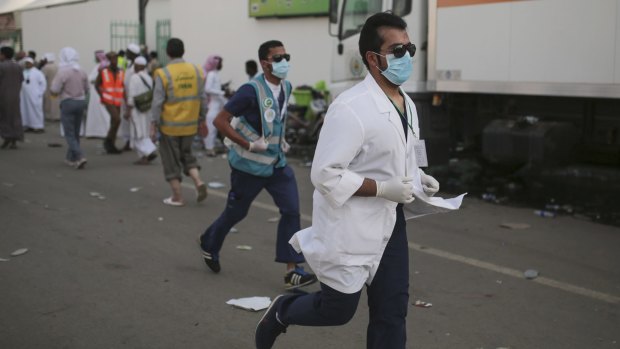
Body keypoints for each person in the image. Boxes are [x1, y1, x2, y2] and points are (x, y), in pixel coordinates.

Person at [254, 13, 441, 349]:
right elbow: (325, 173)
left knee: (392, 312)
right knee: (337, 310)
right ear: (374, 58)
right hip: (350, 227)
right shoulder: (350, 108)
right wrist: (383, 188)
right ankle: (283, 310)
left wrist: (422, 176)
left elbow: (410, 149)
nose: (408, 57)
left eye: (410, 48)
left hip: (390, 225)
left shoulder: (408, 104)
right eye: (398, 50)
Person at [198, 40, 317, 290]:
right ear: (265, 64)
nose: (284, 62)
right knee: (237, 212)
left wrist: (281, 141)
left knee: (292, 210)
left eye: (286, 56)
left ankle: (292, 269)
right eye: (278, 58)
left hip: (277, 165)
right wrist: (248, 144)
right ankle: (210, 242)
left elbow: (276, 120)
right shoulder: (249, 91)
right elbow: (221, 121)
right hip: (249, 167)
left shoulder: (286, 86)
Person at [150, 38, 208, 206]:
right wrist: (202, 119)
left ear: (168, 53)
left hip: (170, 127)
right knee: (187, 156)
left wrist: (153, 124)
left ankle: (177, 197)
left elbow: (157, 102)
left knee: (171, 161)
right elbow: (202, 98)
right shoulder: (197, 71)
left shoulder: (163, 73)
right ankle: (198, 181)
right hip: (190, 125)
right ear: (183, 51)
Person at [50, 47, 89, 169]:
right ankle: (70, 158)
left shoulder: (63, 72)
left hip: (68, 103)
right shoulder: (82, 71)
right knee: (76, 132)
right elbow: (87, 89)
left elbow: (54, 89)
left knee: (69, 133)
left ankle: (80, 156)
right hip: (81, 102)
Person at [126, 56, 157, 164]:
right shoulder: (148, 77)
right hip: (147, 108)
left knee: (136, 132)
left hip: (136, 109)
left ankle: (149, 151)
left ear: (137, 66)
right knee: (144, 132)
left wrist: (128, 111)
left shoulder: (134, 77)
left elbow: (131, 95)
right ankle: (144, 157)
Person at [96, 51, 124, 154]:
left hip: (118, 100)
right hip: (108, 100)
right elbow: (97, 85)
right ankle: (108, 140)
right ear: (108, 61)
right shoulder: (103, 71)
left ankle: (111, 144)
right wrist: (101, 96)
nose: (114, 61)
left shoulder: (121, 71)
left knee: (114, 121)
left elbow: (122, 86)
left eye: (115, 59)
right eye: (112, 59)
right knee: (117, 119)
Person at [0, 46, 24, 149]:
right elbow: (21, 79)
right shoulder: (17, 66)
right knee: (15, 117)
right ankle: (14, 140)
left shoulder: (1, 66)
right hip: (15, 96)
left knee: (4, 117)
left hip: (3, 96)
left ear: (4, 55)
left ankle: (7, 138)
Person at [202, 54, 226, 156]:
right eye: (220, 63)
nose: (222, 65)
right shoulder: (211, 74)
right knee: (211, 128)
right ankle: (209, 148)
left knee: (215, 128)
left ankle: (211, 147)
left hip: (218, 105)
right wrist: (221, 93)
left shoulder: (216, 74)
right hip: (212, 105)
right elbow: (207, 89)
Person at [85, 50, 111, 138]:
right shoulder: (98, 66)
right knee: (95, 111)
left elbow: (97, 78)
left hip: (99, 92)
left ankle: (105, 132)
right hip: (95, 93)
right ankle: (95, 131)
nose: (95, 58)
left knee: (102, 111)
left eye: (96, 56)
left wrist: (93, 80)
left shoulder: (102, 66)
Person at [120, 43, 141, 151]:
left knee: (135, 120)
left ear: (132, 54)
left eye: (128, 52)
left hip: (133, 97)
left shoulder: (137, 67)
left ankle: (137, 143)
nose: (126, 54)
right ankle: (128, 141)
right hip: (126, 96)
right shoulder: (128, 65)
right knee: (126, 121)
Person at [20, 57, 47, 133]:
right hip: (24, 96)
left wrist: (39, 93)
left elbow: (43, 84)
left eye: (28, 63)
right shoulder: (23, 72)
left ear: (32, 64)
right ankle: (28, 125)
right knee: (25, 110)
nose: (27, 64)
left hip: (34, 95)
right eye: (26, 63)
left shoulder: (38, 73)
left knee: (36, 110)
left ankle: (38, 126)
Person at [41, 53, 61, 122]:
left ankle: (50, 116)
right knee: (56, 101)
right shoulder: (57, 66)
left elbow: (42, 78)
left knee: (49, 102)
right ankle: (57, 116)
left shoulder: (45, 67)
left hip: (48, 87)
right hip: (57, 87)